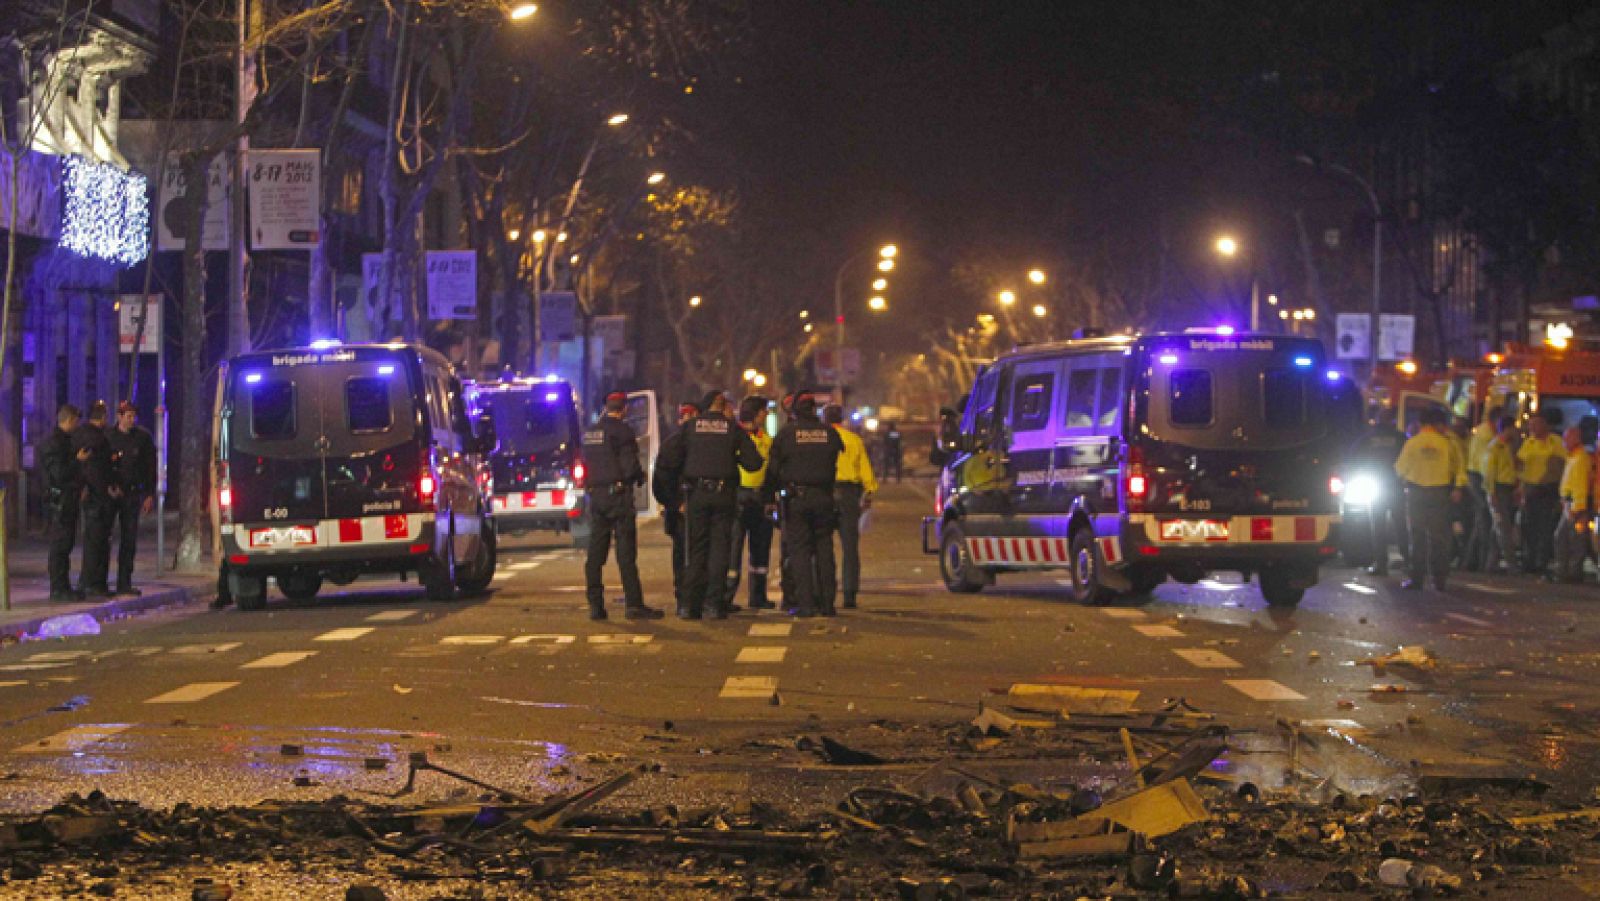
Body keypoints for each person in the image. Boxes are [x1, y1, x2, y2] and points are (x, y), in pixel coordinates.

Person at [660, 391, 761, 620]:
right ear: (723, 406)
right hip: (723, 495)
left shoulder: (690, 427)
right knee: (719, 550)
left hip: (696, 494)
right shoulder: (732, 429)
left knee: (696, 549)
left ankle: (689, 605)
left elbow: (670, 459)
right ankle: (713, 605)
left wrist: (674, 497)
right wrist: (733, 458)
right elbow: (754, 463)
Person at [580, 392, 660, 621]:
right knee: (626, 554)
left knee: (595, 554)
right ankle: (634, 604)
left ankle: (596, 605)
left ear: (606, 407)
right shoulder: (623, 431)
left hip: (597, 497)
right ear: (624, 409)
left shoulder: (590, 432)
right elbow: (629, 466)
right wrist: (639, 476)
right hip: (618, 497)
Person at [764, 392, 845, 617]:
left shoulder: (787, 434)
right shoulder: (829, 432)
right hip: (824, 497)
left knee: (799, 552)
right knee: (824, 550)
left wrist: (768, 498)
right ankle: (827, 604)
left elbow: (773, 469)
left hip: (797, 499)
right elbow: (835, 459)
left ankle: (806, 604)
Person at [1394, 406, 1467, 591]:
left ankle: (1417, 578)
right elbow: (1459, 468)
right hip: (1440, 493)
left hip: (1416, 492)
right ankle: (1439, 579)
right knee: (1439, 537)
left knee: (1417, 536)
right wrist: (1458, 488)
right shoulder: (1447, 443)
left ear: (1420, 423)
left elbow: (1399, 469)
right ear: (1438, 424)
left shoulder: (1412, 443)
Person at [824, 404, 877, 609]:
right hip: (848, 494)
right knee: (850, 546)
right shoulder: (854, 440)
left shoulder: (822, 439)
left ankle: (824, 591)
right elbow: (865, 470)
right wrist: (869, 491)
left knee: (822, 544)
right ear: (842, 419)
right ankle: (849, 593)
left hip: (825, 492)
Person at [727, 396, 776, 610]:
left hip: (760, 497)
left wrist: (770, 498)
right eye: (764, 411)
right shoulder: (733, 436)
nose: (766, 414)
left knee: (761, 547)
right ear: (755, 413)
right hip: (738, 496)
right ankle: (726, 596)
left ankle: (758, 595)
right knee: (733, 548)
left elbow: (772, 470)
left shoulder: (766, 439)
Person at [652, 399, 700, 614]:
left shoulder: (672, 443)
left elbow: (659, 481)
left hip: (683, 507)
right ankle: (689, 598)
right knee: (691, 553)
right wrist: (676, 503)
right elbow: (661, 480)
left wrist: (672, 503)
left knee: (683, 553)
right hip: (689, 506)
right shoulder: (688, 443)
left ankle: (685, 599)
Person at [106, 401, 157, 596]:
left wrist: (149, 494)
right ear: (119, 416)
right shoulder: (109, 437)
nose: (131, 420)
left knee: (129, 539)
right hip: (112, 493)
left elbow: (149, 467)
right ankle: (100, 581)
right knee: (105, 537)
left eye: (133, 416)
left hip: (132, 492)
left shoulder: (142, 438)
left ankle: (124, 581)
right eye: (128, 416)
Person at [1348, 408, 1408, 575]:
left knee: (1378, 525)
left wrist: (1356, 474)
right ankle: (1408, 560)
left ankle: (1381, 563)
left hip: (1376, 485)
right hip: (1395, 486)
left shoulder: (1367, 438)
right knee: (1400, 525)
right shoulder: (1400, 438)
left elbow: (1353, 457)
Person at [42, 404, 88, 601]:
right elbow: (59, 474)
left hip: (68, 499)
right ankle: (58, 589)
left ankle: (64, 587)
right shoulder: (55, 443)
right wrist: (78, 460)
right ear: (69, 420)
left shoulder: (65, 441)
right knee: (60, 545)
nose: (77, 425)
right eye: (76, 420)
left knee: (66, 544)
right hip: (59, 501)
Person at [73, 400, 119, 599]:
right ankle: (94, 584)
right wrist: (108, 487)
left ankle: (91, 583)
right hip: (99, 497)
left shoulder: (79, 435)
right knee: (98, 542)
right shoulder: (99, 439)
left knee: (93, 541)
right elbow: (99, 470)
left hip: (91, 496)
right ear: (103, 417)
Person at [1517, 411, 1565, 575]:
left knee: (1546, 527)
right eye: (1531, 425)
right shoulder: (1528, 443)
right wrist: (1521, 488)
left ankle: (1541, 561)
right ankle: (1529, 560)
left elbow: (1563, 462)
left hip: (1549, 489)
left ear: (1545, 425)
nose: (1533, 428)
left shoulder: (1556, 442)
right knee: (1529, 526)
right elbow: (1520, 465)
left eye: (1536, 424)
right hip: (1531, 489)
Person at [1463, 407, 1503, 572]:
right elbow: (1486, 462)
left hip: (1475, 475)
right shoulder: (1487, 436)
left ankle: (1470, 561)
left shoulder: (1481, 431)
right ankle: (1481, 561)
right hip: (1479, 477)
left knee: (1481, 520)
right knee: (1485, 519)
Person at [1552, 426, 1592, 584]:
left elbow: (1580, 485)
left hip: (1575, 506)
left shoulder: (1580, 458)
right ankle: (1566, 571)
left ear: (1576, 439)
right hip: (1569, 504)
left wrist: (1577, 508)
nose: (1564, 442)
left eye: (1567, 438)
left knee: (1571, 539)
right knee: (1567, 538)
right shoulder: (1573, 456)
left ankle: (1571, 572)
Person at [1483, 416, 1520, 575]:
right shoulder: (1495, 447)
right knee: (1503, 528)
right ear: (1507, 428)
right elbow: (1489, 472)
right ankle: (1512, 565)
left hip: (1506, 490)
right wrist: (1491, 493)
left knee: (1497, 527)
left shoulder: (1507, 446)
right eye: (1513, 428)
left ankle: (1491, 563)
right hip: (1498, 490)